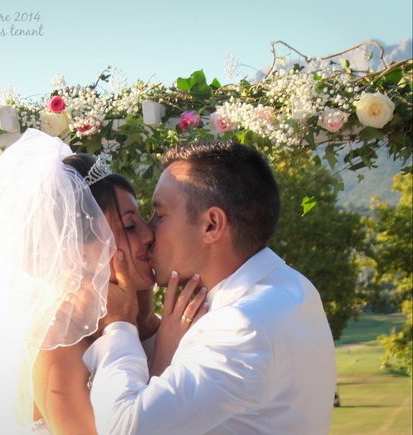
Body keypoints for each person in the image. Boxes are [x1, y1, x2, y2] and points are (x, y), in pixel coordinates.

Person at [0, 128, 198, 434]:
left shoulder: (150, 319)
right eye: (129, 226)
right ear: (76, 248)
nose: (148, 235)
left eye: (142, 220)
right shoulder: (54, 341)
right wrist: (166, 355)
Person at [83, 141, 337, 434]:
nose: (149, 231)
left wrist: (119, 326)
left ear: (212, 225)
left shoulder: (241, 325)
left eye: (160, 216)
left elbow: (125, 427)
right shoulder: (295, 288)